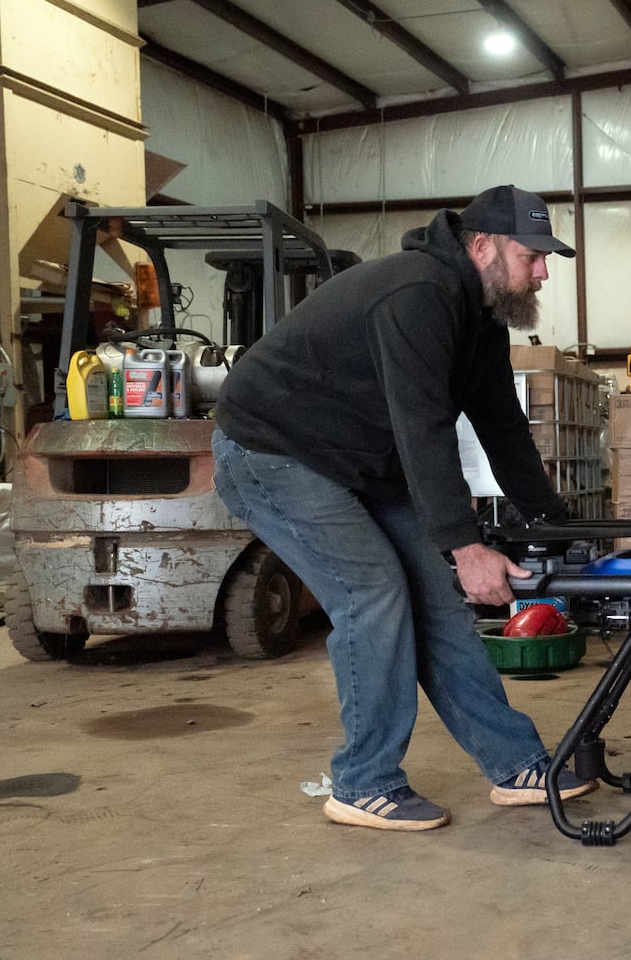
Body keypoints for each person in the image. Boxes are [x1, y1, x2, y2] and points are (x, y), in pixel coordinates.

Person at [210, 184, 597, 831]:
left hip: (356, 461)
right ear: (483, 246)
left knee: (439, 602)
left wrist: (558, 527)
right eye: (532, 255)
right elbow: (423, 428)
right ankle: (363, 782)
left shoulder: (480, 319)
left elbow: (502, 428)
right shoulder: (417, 293)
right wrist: (466, 545)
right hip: (272, 450)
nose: (543, 269)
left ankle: (516, 763)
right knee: (375, 593)